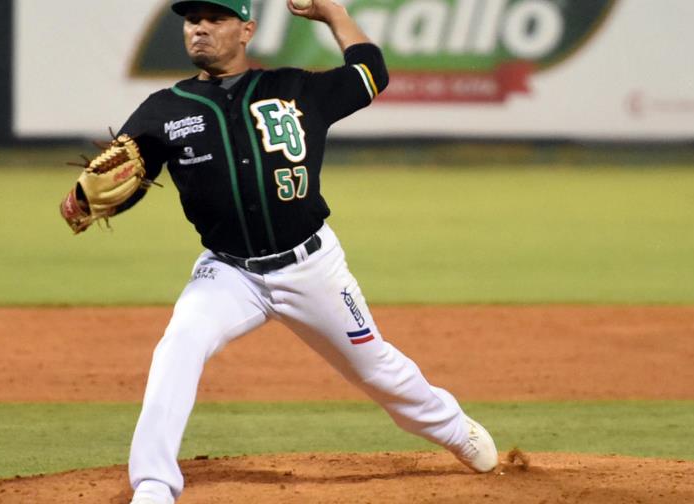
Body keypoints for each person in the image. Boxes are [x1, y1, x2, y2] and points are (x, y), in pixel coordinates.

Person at [115, 1, 499, 502]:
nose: (200, 29)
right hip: (227, 273)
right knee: (178, 347)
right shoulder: (163, 110)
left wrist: (333, 13)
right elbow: (122, 179)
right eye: (193, 20)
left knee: (376, 368)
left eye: (215, 19)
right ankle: (153, 485)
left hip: (312, 266)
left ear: (247, 30)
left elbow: (371, 72)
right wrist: (83, 202)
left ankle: (452, 428)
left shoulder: (295, 89)